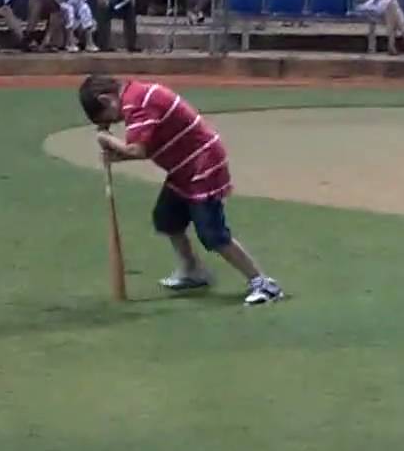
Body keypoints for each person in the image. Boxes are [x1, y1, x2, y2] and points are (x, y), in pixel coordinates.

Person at [78, 75, 285, 306]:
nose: (115, 121)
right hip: (184, 168)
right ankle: (192, 270)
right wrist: (115, 156)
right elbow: (148, 147)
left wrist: (107, 139)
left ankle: (263, 283)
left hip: (202, 165)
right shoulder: (136, 96)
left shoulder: (138, 102)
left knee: (212, 233)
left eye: (108, 117)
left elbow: (137, 150)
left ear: (106, 99)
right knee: (167, 218)